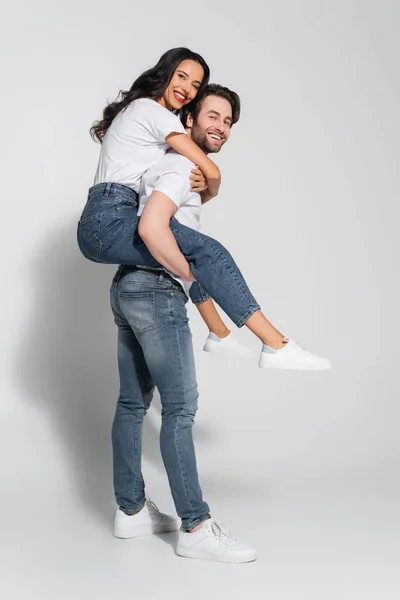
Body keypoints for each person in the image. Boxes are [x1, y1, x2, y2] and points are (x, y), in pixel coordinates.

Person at [78, 47, 331, 370]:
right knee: (208, 253)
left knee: (191, 250)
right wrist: (213, 181)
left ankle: (221, 333)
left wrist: (202, 190)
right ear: (165, 74)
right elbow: (208, 169)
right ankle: (274, 344)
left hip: (109, 216)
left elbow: (180, 199)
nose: (187, 88)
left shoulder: (149, 119)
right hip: (110, 218)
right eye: (181, 76)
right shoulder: (153, 112)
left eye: (196, 84)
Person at [109, 88, 261, 563]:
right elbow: (153, 230)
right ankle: (195, 525)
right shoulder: (179, 164)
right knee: (180, 409)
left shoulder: (169, 166)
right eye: (211, 115)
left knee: (133, 403)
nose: (221, 125)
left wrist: (210, 185)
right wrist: (192, 279)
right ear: (187, 118)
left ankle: (131, 510)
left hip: (127, 285)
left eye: (229, 120)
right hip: (155, 290)